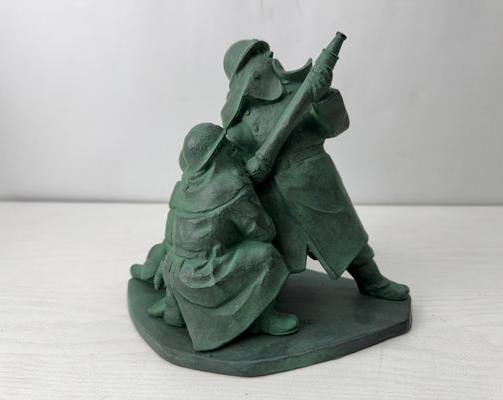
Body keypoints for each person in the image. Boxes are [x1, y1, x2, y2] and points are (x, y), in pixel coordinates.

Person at [220, 39, 409, 300]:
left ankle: (372, 281)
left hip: (316, 178)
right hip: (273, 194)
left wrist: (322, 97)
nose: (270, 54)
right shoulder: (241, 119)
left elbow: (334, 126)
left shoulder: (300, 90)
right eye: (259, 53)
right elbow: (233, 160)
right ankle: (264, 301)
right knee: (274, 251)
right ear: (246, 72)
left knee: (349, 236)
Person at [132, 123, 298, 351]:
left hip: (175, 269)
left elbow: (172, 237)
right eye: (225, 145)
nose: (232, 147)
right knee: (268, 256)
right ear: (215, 158)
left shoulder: (183, 185)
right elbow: (263, 232)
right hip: (203, 275)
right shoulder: (232, 186)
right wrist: (251, 192)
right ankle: (261, 319)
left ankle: (176, 305)